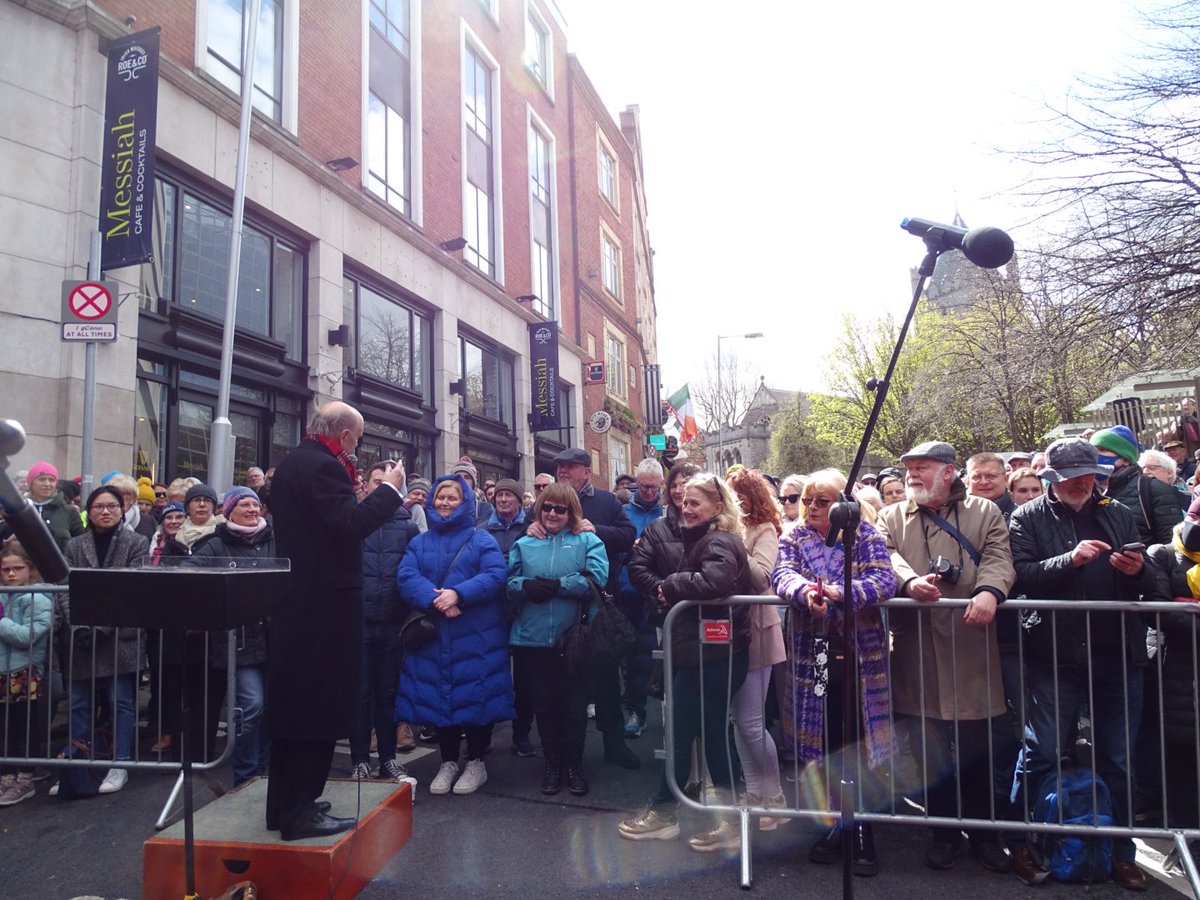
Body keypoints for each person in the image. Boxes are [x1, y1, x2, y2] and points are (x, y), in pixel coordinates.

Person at [1006, 438, 1158, 890]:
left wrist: (1138, 571)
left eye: (1089, 475)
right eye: (1072, 477)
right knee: (1042, 752)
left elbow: (1148, 583)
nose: (1082, 484)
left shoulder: (1118, 512)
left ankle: (1121, 852)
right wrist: (1068, 561)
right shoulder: (1025, 517)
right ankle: (1022, 844)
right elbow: (1024, 576)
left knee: (1118, 759)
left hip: (1116, 655)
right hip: (1055, 656)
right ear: (1053, 478)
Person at [265, 401, 407, 841]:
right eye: (358, 440)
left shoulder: (293, 462)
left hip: (301, 603)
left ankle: (285, 804)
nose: (358, 449)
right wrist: (390, 491)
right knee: (318, 708)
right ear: (346, 435)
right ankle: (299, 811)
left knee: (294, 711)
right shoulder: (324, 468)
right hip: (323, 608)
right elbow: (348, 524)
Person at [874, 440, 1016, 874]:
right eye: (909, 468)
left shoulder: (985, 512)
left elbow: (997, 557)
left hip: (970, 646)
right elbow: (884, 556)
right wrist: (908, 582)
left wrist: (990, 592)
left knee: (977, 749)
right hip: (915, 649)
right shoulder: (890, 516)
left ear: (949, 471)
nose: (912, 475)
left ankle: (986, 835)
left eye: (922, 467)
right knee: (928, 751)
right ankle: (943, 835)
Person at [772, 468, 897, 875]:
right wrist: (807, 593)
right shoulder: (794, 536)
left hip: (859, 658)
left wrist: (840, 593)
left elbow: (884, 580)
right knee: (824, 741)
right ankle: (834, 823)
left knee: (857, 740)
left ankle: (863, 829)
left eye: (821, 501)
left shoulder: (864, 536)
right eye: (807, 500)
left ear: (844, 506)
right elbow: (781, 574)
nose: (810, 508)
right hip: (815, 657)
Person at [618, 474, 751, 852]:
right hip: (702, 654)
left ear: (717, 507)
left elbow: (715, 582)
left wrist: (670, 583)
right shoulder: (706, 539)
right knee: (705, 737)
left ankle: (670, 814)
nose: (686, 508)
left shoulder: (719, 540)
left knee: (691, 735)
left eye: (696, 503)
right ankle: (703, 817)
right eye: (684, 502)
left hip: (712, 656)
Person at [396, 474, 511, 796]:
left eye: (452, 498)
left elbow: (494, 575)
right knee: (440, 698)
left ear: (465, 503)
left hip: (476, 635)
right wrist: (438, 599)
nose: (445, 503)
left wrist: (458, 594)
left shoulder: (481, 539)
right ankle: (447, 761)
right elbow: (406, 576)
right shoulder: (419, 542)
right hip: (435, 633)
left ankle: (476, 761)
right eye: (440, 497)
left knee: (475, 697)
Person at [534, 447, 637, 770]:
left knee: (605, 681)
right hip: (556, 609)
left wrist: (598, 531)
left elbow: (628, 535)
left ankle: (615, 745)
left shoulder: (606, 502)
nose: (563, 470)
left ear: (586, 472)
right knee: (560, 686)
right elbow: (531, 527)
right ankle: (560, 755)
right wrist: (531, 528)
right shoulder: (548, 497)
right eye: (560, 466)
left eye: (570, 466)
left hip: (597, 612)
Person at [507, 482, 607, 796]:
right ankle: (552, 764)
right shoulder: (525, 543)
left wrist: (557, 585)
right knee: (545, 707)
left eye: (560, 509)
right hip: (533, 640)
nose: (552, 513)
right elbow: (508, 583)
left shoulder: (587, 540)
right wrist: (525, 586)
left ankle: (574, 765)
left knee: (574, 707)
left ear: (571, 511)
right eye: (547, 507)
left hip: (575, 639)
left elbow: (596, 579)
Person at [61, 485, 149, 796]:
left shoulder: (136, 543)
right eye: (98, 506)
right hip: (81, 636)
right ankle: (76, 766)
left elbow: (129, 589)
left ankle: (120, 763)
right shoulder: (74, 546)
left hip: (119, 637)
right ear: (89, 511)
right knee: (79, 703)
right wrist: (80, 626)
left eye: (112, 506)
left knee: (120, 701)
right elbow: (65, 587)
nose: (106, 511)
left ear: (122, 510)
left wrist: (101, 628)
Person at [186, 487, 274, 785]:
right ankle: (246, 774)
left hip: (275, 641)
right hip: (239, 644)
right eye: (244, 504)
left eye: (255, 504)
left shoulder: (273, 539)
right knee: (252, 706)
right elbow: (187, 574)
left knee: (272, 708)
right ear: (228, 511)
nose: (252, 509)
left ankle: (265, 769)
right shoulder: (215, 545)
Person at [726, 468, 790, 832]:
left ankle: (776, 796)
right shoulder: (724, 528)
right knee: (740, 721)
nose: (734, 502)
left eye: (739, 495)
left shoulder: (763, 530)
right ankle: (754, 792)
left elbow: (762, 576)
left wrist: (731, 540)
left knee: (752, 723)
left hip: (757, 632)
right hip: (728, 633)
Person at [349, 461, 418, 780]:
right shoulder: (353, 522)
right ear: (366, 485)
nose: (380, 487)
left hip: (393, 622)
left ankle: (388, 757)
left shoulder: (407, 526)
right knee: (360, 693)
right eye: (376, 481)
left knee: (388, 692)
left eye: (387, 482)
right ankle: (359, 758)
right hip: (359, 622)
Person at [482, 478, 534, 757]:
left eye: (508, 496)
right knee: (491, 671)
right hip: (491, 608)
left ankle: (521, 733)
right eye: (499, 495)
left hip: (523, 607)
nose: (503, 500)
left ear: (517, 500)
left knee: (524, 675)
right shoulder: (482, 529)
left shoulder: (532, 528)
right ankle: (485, 733)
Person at [0, 540, 53, 807]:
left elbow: (28, 635)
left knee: (25, 725)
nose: (11, 574)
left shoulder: (38, 598)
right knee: (5, 726)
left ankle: (25, 777)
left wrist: (1, 622)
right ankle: (6, 775)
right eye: (5, 569)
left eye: (17, 568)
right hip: (1, 671)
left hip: (25, 672)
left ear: (30, 570)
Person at [619, 458, 666, 739]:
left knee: (656, 657)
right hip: (628, 593)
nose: (649, 492)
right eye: (644, 487)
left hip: (658, 594)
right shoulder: (623, 512)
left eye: (653, 487)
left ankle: (668, 715)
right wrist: (630, 547)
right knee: (631, 656)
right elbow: (611, 551)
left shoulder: (668, 512)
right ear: (637, 483)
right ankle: (636, 711)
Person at [1091, 426, 1183, 545]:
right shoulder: (1087, 491)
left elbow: (1173, 546)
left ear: (1125, 458)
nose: (1096, 455)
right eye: (1092, 451)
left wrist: (1142, 563)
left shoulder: (1154, 489)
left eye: (1103, 450)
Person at [25, 461, 82, 551]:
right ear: (31, 483)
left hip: (59, 563)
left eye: (51, 480)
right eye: (42, 479)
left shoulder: (69, 511)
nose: (47, 484)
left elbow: (80, 544)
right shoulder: (21, 510)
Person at [966, 452, 1015, 523]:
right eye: (976, 477)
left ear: (1005, 479)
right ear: (968, 481)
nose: (984, 482)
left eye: (991, 476)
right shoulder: (957, 513)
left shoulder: (1022, 514)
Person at [450, 456, 494, 525]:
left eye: (467, 477)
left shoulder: (485, 508)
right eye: (458, 477)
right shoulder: (444, 505)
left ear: (474, 483)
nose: (463, 480)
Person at [180, 483, 223, 549]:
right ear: (187, 507)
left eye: (207, 500)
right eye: (196, 500)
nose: (202, 504)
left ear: (214, 507)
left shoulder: (223, 533)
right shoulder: (176, 535)